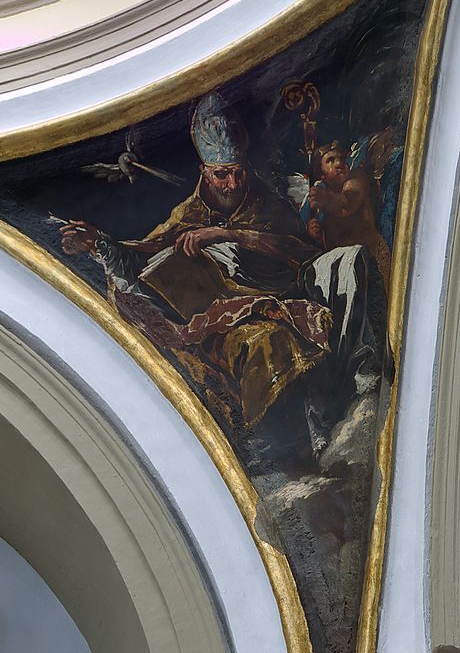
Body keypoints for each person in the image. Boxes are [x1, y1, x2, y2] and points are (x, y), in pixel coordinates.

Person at [60, 92, 385, 447]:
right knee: (263, 343)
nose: (233, 184)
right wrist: (99, 243)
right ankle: (290, 444)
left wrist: (230, 235)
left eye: (239, 173)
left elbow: (302, 252)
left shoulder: (267, 204)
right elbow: (143, 257)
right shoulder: (188, 215)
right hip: (221, 318)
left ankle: (353, 386)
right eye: (222, 175)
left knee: (343, 267)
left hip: (283, 295)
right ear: (204, 173)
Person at [306, 141, 391, 290]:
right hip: (346, 268)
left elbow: (346, 205)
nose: (339, 164)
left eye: (341, 159)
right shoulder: (324, 202)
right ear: (321, 175)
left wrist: (325, 198)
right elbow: (332, 244)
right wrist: (317, 234)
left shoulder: (356, 179)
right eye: (330, 161)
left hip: (372, 261)